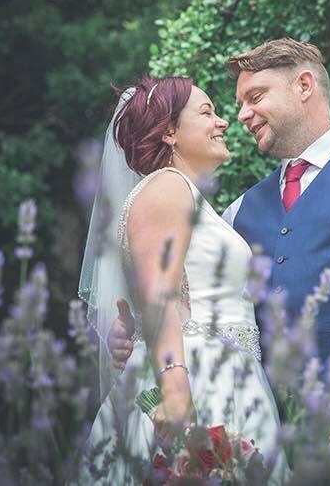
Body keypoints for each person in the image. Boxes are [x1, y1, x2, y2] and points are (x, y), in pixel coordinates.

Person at [108, 38, 330, 442]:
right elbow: (186, 297)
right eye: (237, 104)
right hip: (266, 431)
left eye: (255, 97)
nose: (241, 116)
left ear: (303, 86)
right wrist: (139, 336)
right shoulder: (236, 212)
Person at [76, 77, 286, 484]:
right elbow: (161, 294)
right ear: (169, 131)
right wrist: (174, 395)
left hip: (217, 371)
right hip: (194, 378)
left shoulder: (183, 195)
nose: (223, 121)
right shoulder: (166, 188)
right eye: (207, 112)